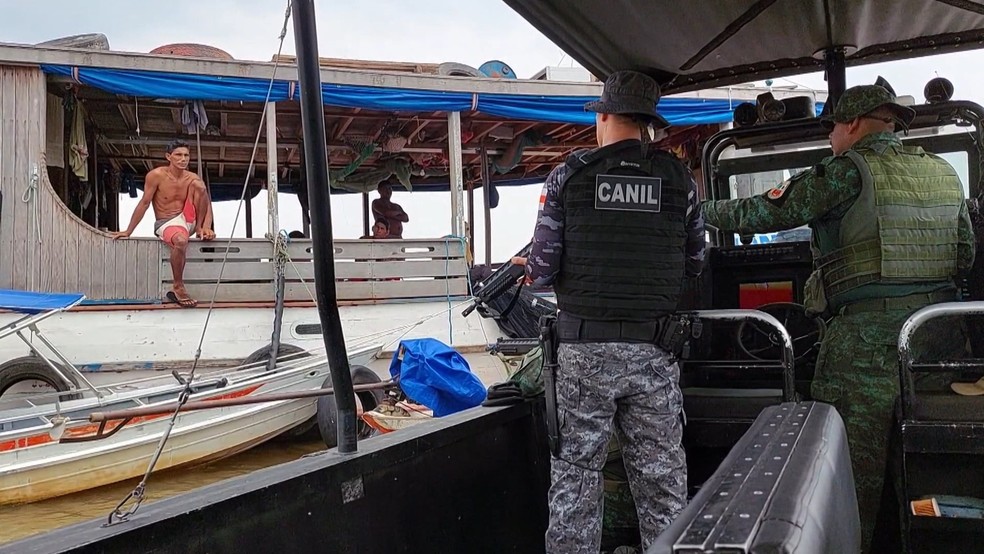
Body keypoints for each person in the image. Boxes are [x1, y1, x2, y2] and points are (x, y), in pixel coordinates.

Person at [700, 84, 976, 553]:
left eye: (831, 127)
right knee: (927, 475)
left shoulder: (846, 171)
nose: (830, 137)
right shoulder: (944, 172)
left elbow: (764, 211)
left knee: (847, 478)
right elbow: (964, 255)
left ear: (851, 123)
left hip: (867, 349)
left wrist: (697, 209)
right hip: (940, 343)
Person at [514, 70, 704, 553]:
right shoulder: (680, 180)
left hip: (584, 356)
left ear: (602, 117)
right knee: (663, 486)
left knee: (576, 485)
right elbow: (696, 261)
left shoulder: (568, 176)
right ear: (647, 123)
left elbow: (541, 270)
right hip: (654, 352)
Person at [112, 139, 215, 307]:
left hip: (189, 220)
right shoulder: (156, 175)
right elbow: (144, 203)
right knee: (180, 240)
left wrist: (206, 226)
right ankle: (178, 286)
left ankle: (200, 229)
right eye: (178, 155)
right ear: (169, 156)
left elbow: (206, 203)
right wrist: (128, 231)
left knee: (200, 186)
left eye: (186, 155)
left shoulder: (191, 178)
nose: (183, 159)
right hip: (167, 222)